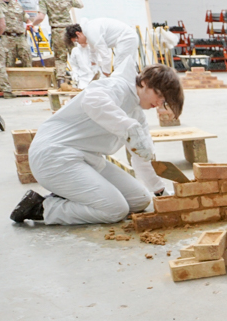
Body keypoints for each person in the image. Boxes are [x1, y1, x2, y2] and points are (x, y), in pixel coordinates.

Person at [10, 64, 184, 226]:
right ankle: (42, 208)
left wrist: (160, 190)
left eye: (164, 100)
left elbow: (142, 158)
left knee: (140, 200)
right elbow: (93, 101)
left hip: (87, 159)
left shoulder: (138, 116)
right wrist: (128, 127)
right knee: (115, 210)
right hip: (55, 156)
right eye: (159, 95)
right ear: (144, 82)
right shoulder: (117, 87)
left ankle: (74, 193)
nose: (159, 103)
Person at [66, 18, 139, 78]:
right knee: (128, 66)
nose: (79, 43)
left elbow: (105, 56)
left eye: (76, 40)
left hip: (127, 38)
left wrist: (105, 73)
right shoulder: (87, 30)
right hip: (127, 37)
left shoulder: (91, 33)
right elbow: (93, 50)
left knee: (121, 67)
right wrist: (94, 66)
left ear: (78, 34)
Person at [38, 0, 81, 88]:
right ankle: (81, 80)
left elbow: (41, 17)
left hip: (56, 30)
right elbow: (80, 5)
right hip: (70, 30)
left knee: (60, 58)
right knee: (76, 55)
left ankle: (61, 82)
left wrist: (33, 24)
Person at [0, 0, 30, 67]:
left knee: (27, 57)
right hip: (6, 37)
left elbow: (26, 18)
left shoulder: (17, 5)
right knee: (8, 62)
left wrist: (31, 25)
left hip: (20, 37)